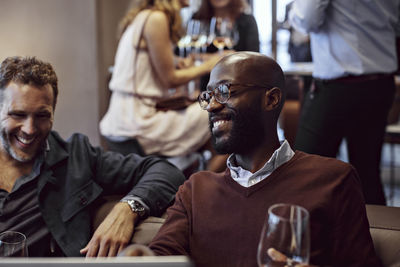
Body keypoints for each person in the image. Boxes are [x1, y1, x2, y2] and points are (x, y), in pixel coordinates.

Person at [121, 52, 381, 266]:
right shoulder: (195, 190)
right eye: (208, 96)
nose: (212, 106)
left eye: (224, 91)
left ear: (271, 99)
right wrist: (141, 257)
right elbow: (162, 255)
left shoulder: (333, 179)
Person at [0, 56, 185, 257]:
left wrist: (128, 208)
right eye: (17, 114)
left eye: (42, 115)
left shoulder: (76, 157)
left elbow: (165, 171)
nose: (29, 129)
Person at [289, 0, 400, 205]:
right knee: (367, 175)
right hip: (380, 83)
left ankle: (304, 235)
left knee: (302, 173)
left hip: (340, 85)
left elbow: (307, 18)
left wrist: (293, 12)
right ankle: (368, 236)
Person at [100, 0, 224, 159]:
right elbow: (170, 79)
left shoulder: (144, 16)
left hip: (122, 118)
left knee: (210, 123)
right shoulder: (156, 18)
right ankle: (203, 181)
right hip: (138, 123)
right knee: (219, 110)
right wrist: (209, 65)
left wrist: (178, 62)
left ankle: (195, 174)